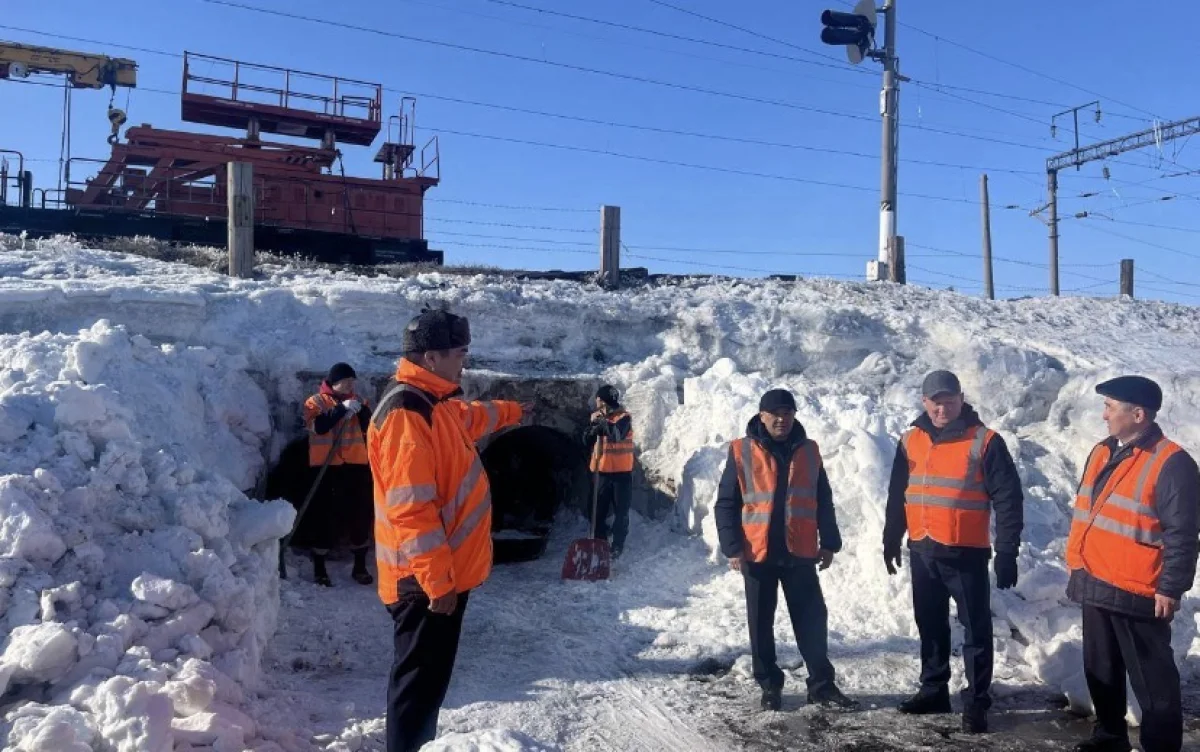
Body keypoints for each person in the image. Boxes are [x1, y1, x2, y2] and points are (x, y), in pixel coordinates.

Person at [367, 308, 530, 752]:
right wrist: (437, 581)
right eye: (460, 353)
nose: (464, 362)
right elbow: (412, 508)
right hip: (421, 582)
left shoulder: (434, 402)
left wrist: (514, 412)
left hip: (437, 576)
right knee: (417, 689)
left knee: (428, 685)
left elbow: (471, 418)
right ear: (432, 357)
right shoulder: (406, 413)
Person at [882, 370, 1024, 734]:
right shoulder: (910, 440)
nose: (942, 408)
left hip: (965, 553)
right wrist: (891, 536)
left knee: (975, 630)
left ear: (961, 399)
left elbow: (1008, 499)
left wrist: (1007, 550)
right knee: (929, 623)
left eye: (949, 401)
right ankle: (934, 689)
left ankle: (976, 701)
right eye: (936, 402)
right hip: (922, 548)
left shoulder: (985, 441)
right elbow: (899, 492)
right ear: (924, 402)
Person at [1066, 376, 1199, 752]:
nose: (1104, 415)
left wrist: (1171, 587)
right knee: (1101, 667)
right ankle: (1110, 736)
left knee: (1153, 681)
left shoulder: (1173, 463)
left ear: (1138, 415)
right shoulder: (1102, 451)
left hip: (1138, 589)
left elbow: (1183, 533)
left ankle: (1161, 746)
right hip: (1095, 577)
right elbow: (1087, 510)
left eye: (1110, 407)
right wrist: (1076, 562)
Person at [715, 388, 858, 712]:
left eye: (787, 413)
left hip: (799, 551)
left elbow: (822, 498)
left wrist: (830, 542)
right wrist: (732, 547)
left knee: (812, 620)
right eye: (775, 414)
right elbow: (726, 504)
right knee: (760, 624)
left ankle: (821, 685)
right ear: (762, 416)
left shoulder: (809, 450)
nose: (781, 419)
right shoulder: (741, 450)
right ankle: (769, 685)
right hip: (758, 553)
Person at [298, 361, 374, 587]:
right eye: (346, 381)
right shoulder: (315, 402)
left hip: (355, 466)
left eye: (352, 381)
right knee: (325, 516)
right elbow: (319, 426)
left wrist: (362, 413)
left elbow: (371, 428)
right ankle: (320, 567)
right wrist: (341, 410)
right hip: (326, 468)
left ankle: (360, 565)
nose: (351, 385)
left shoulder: (359, 401)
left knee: (360, 514)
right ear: (334, 382)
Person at [583, 384, 634, 558]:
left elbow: (617, 435)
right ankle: (600, 544)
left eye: (598, 399)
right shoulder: (596, 417)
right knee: (596, 512)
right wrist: (592, 427)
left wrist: (603, 424)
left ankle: (617, 546)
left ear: (602, 400)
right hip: (601, 474)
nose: (596, 402)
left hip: (621, 475)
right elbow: (585, 441)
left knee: (621, 512)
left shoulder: (624, 418)